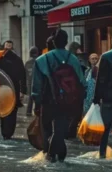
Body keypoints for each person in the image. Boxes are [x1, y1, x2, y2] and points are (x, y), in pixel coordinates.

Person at [32, 30, 85, 162]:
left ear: (53, 42)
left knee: (47, 129)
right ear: (66, 42)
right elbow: (82, 82)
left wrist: (37, 102)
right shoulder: (73, 59)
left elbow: (37, 85)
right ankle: (58, 153)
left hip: (47, 100)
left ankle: (49, 155)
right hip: (67, 101)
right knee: (60, 129)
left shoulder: (41, 60)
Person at [0, 43, 28, 140]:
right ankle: (6, 132)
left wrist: (22, 91)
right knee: (4, 111)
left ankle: (8, 132)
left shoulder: (16, 60)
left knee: (11, 111)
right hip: (2, 89)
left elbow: (22, 76)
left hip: (12, 89)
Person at [26, 46, 40, 116]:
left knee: (30, 98)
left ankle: (28, 112)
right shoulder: (39, 61)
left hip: (29, 83)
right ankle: (37, 112)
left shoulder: (27, 63)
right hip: (37, 82)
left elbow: (25, 74)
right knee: (38, 98)